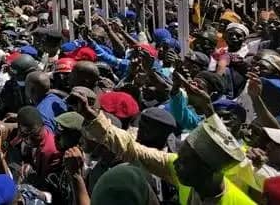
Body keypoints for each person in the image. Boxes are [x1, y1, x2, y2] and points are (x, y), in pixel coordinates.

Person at [71, 87, 255, 204]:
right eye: (179, 156)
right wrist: (93, 117)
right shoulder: (185, 170)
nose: (175, 163)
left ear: (210, 171)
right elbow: (132, 149)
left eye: (183, 161)